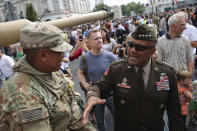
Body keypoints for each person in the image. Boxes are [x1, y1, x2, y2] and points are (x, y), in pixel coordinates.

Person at [82, 24, 184, 131]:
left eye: (140, 48)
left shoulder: (167, 73)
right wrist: (92, 95)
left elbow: (175, 113)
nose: (132, 50)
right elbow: (99, 87)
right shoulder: (117, 69)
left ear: (152, 51)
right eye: (131, 44)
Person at [0, 23, 96, 131]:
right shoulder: (21, 94)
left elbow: (75, 119)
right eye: (59, 52)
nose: (63, 55)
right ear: (43, 55)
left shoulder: (52, 72)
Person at [77, 29, 117, 131]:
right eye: (96, 38)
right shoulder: (85, 58)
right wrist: (84, 83)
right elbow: (80, 72)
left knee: (118, 119)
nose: (100, 40)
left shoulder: (111, 57)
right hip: (95, 96)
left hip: (111, 95)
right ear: (89, 42)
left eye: (100, 38)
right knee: (99, 121)